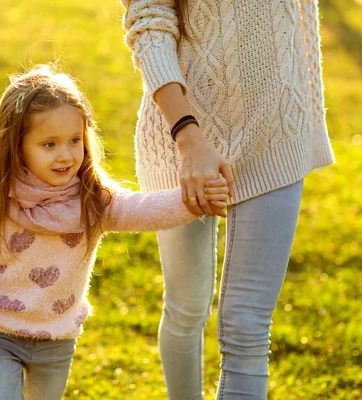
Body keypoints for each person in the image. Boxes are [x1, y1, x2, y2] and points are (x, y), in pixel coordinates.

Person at [0, 64, 229, 400]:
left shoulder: (90, 201)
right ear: (16, 146)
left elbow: (140, 210)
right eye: (49, 144)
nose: (65, 155)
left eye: (74, 140)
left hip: (56, 338)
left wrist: (192, 201)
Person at [120, 0, 334, 399]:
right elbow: (149, 23)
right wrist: (188, 138)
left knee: (247, 326)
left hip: (277, 130)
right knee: (186, 309)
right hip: (180, 137)